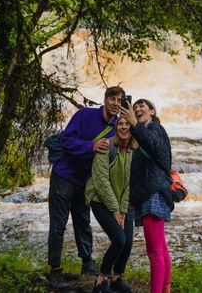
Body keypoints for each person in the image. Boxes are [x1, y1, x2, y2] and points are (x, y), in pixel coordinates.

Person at [47, 86, 125, 290]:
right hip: (63, 176)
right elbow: (66, 140)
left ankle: (87, 263)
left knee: (83, 222)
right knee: (58, 224)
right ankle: (55, 270)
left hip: (85, 182)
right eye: (113, 98)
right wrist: (91, 146)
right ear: (105, 99)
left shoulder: (118, 124)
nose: (116, 103)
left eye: (120, 100)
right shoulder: (84, 115)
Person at [119, 99, 174, 293]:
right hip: (150, 192)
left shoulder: (155, 129)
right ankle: (165, 289)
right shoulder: (142, 132)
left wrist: (134, 124)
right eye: (135, 107)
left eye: (142, 106)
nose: (137, 109)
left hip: (154, 193)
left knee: (154, 251)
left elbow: (154, 146)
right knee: (161, 248)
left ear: (152, 111)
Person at [85, 117, 136, 293]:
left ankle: (117, 278)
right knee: (119, 240)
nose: (123, 127)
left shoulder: (132, 150)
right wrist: (115, 211)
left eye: (127, 124)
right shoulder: (106, 147)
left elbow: (128, 183)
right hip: (100, 199)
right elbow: (101, 182)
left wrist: (122, 210)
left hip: (120, 202)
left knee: (128, 241)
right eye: (120, 124)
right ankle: (101, 281)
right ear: (115, 127)